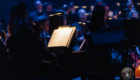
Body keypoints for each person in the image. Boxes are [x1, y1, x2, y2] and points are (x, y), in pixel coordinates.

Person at [7, 1, 62, 79]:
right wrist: (55, 58)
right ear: (24, 13)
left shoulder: (10, 40)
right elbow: (43, 52)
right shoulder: (28, 33)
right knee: (60, 70)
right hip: (35, 73)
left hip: (20, 75)